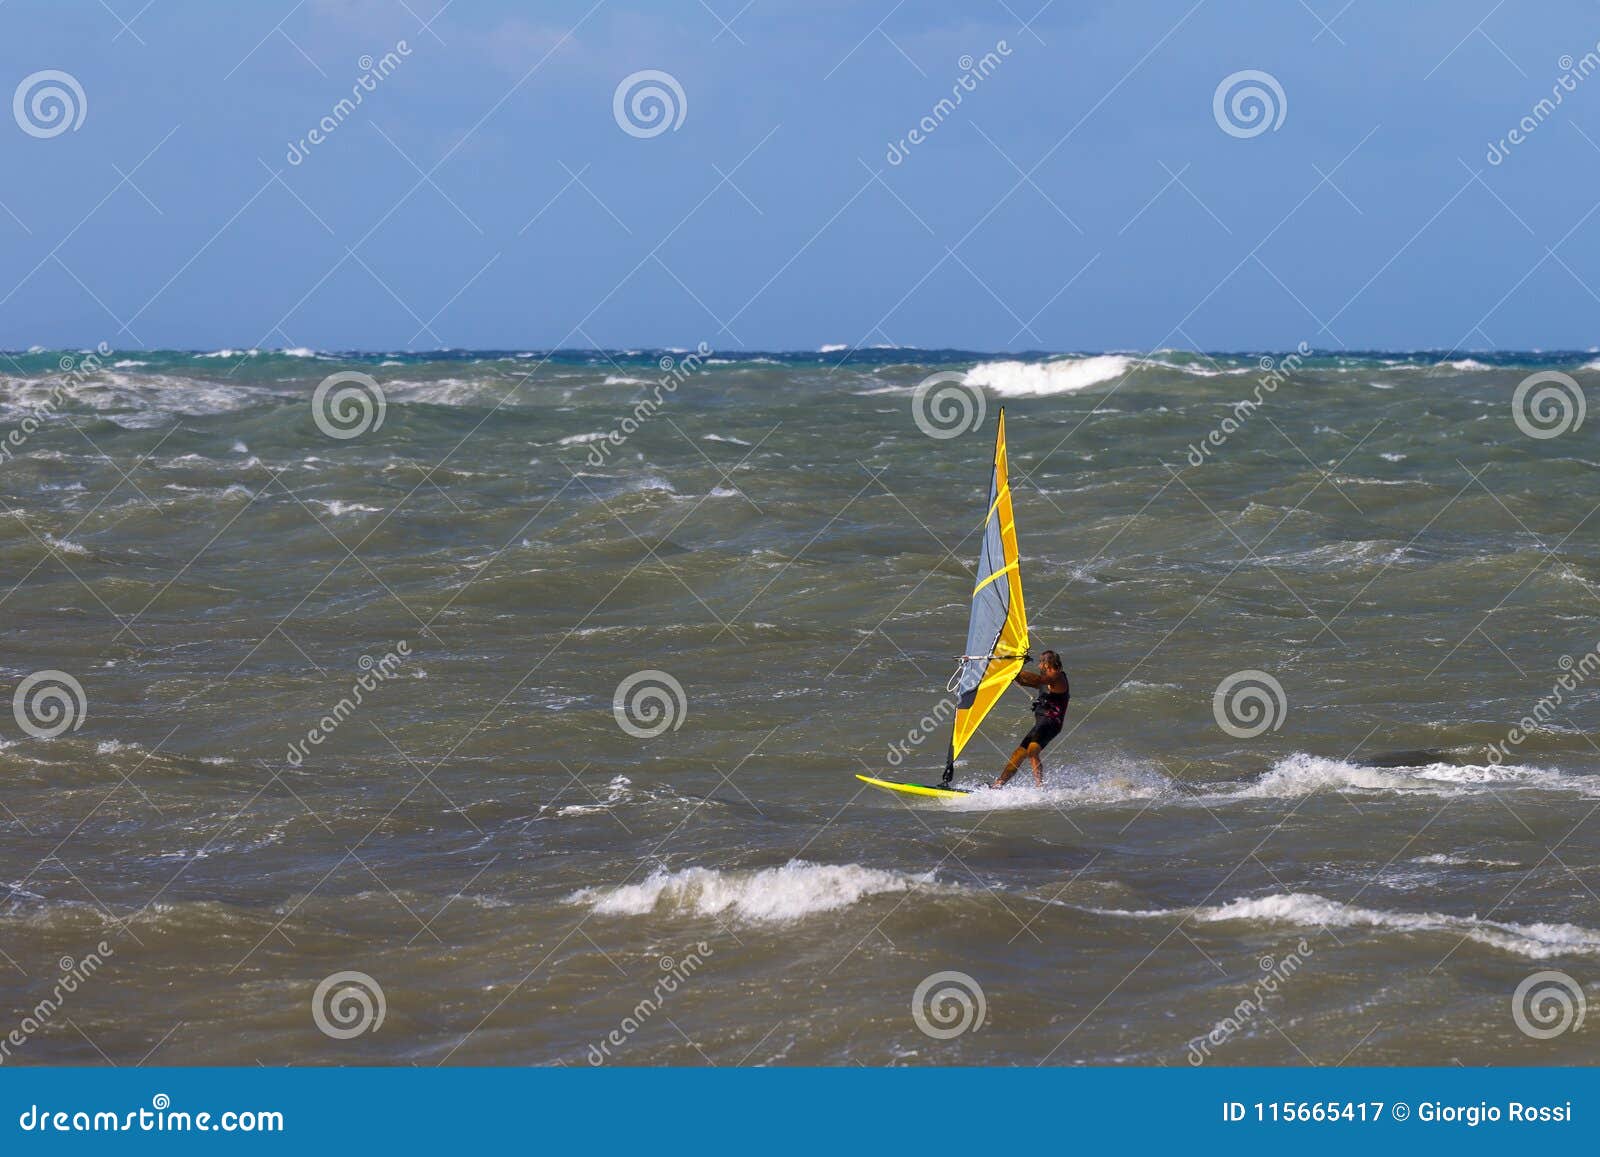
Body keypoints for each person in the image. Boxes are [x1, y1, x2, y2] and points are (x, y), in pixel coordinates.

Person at [992, 650, 1069, 788]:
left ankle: (1040, 787)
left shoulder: (1057, 677)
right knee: (1019, 753)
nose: (1039, 666)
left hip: (1051, 723)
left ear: (1047, 664)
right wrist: (1011, 671)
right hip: (1042, 723)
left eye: (1040, 662)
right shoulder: (1046, 680)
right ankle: (998, 785)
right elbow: (1024, 681)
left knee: (1032, 751)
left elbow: (1038, 679)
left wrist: (1014, 669)